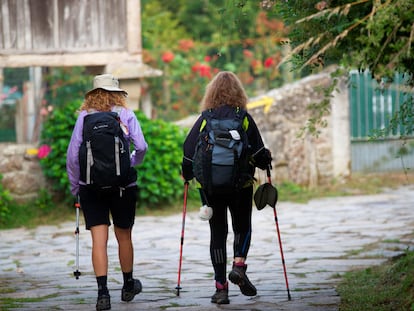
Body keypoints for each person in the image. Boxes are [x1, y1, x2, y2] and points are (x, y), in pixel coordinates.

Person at [181, 71, 272, 304]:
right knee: (242, 226)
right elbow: (259, 153)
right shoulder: (243, 117)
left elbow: (188, 150)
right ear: (239, 93)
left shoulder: (205, 118)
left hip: (210, 187)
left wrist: (188, 175)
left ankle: (221, 288)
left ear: (211, 93)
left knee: (217, 233)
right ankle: (239, 266)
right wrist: (266, 161)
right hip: (240, 184)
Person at [66, 74, 148, 311]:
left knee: (98, 241)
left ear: (93, 94)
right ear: (117, 93)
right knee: (124, 236)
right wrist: (131, 162)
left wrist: (76, 187)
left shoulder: (84, 117)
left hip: (90, 186)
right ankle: (128, 285)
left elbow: (73, 157)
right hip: (123, 186)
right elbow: (141, 146)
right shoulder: (125, 115)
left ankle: (103, 294)